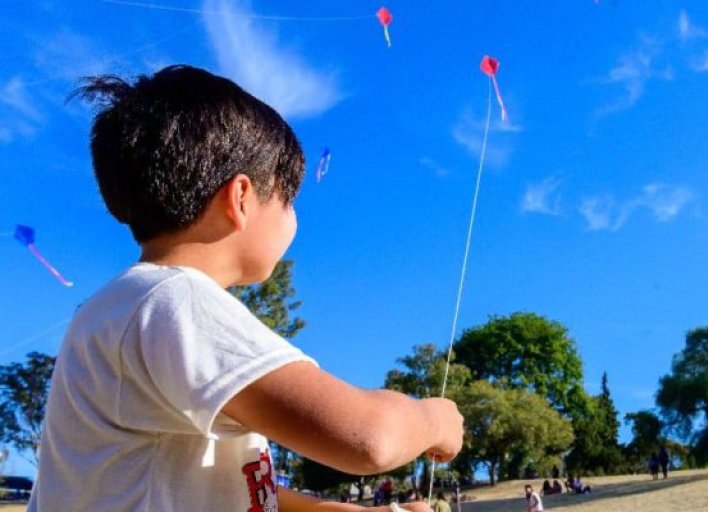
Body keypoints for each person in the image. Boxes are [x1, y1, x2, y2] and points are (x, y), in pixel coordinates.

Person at [26, 65, 464, 512]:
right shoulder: (173, 300)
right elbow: (370, 438)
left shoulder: (123, 309)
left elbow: (230, 487)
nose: (294, 218)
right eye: (287, 198)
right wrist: (434, 419)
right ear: (240, 198)